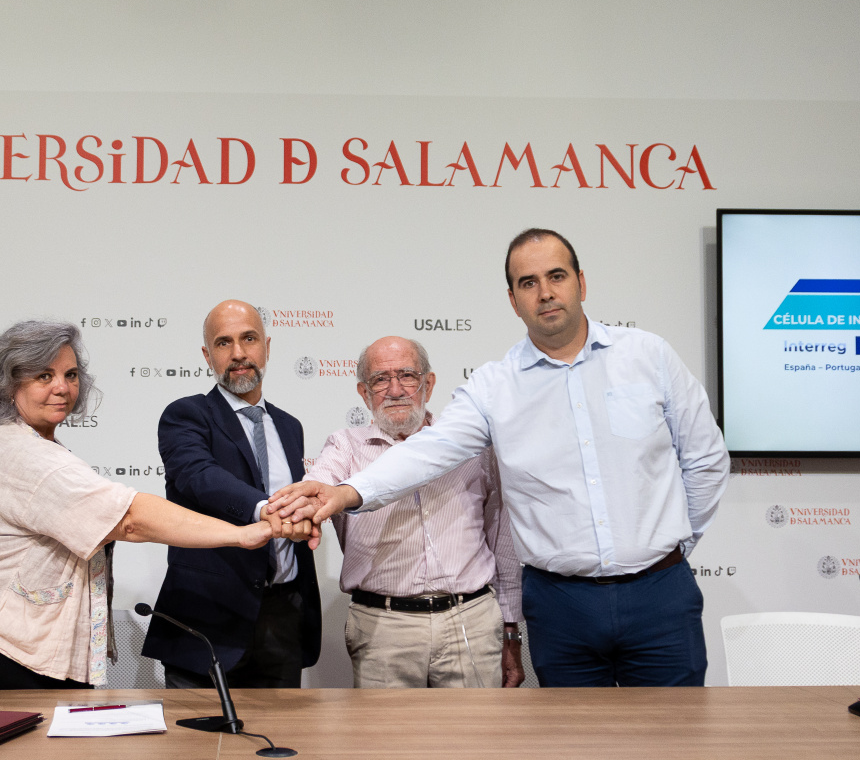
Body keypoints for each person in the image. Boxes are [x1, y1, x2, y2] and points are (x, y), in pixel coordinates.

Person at [271, 229, 729, 687]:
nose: (545, 292)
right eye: (528, 283)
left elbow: (705, 459)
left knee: (676, 745)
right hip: (561, 603)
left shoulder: (648, 355)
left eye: (556, 276)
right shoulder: (494, 386)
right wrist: (346, 492)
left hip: (660, 592)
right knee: (572, 750)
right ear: (513, 300)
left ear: (581, 283)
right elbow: (428, 450)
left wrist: (672, 548)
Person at [0, 319, 315, 690]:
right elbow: (128, 518)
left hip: (7, 644)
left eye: (70, 375)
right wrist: (247, 532)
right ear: (7, 385)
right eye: (43, 375)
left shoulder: (26, 443)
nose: (61, 387)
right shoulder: (20, 452)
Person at [305, 335, 525, 689]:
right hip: (384, 627)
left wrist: (511, 627)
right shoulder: (344, 446)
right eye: (380, 379)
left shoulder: (472, 445)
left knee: (475, 741)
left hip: (470, 619)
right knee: (387, 744)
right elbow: (317, 485)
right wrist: (296, 505)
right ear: (364, 392)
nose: (395, 390)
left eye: (407, 375)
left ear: (429, 383)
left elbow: (503, 537)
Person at [140, 300, 322, 689]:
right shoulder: (186, 415)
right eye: (224, 343)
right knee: (197, 749)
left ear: (267, 347)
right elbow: (197, 476)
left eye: (249, 339)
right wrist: (265, 511)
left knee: (282, 743)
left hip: (282, 618)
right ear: (207, 355)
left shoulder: (290, 426)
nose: (238, 354)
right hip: (209, 617)